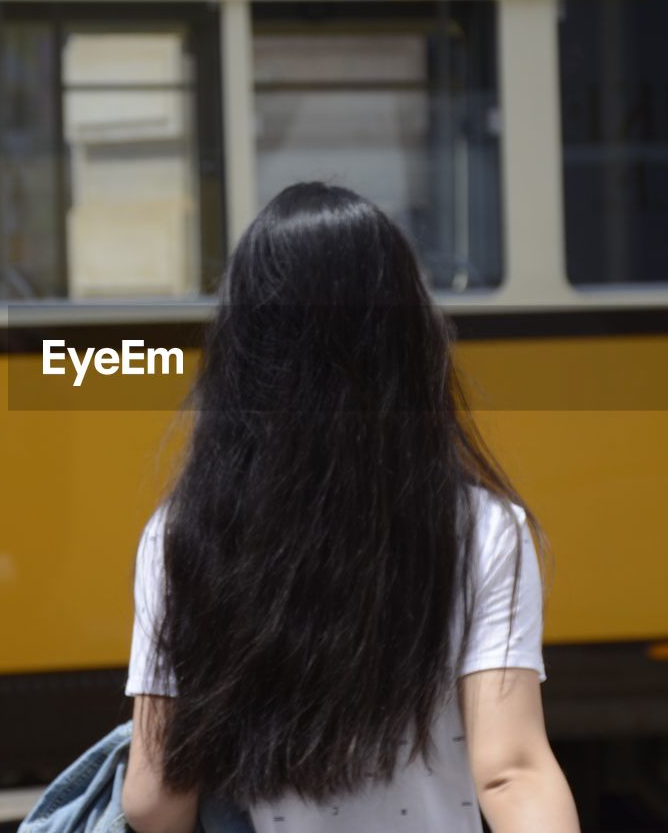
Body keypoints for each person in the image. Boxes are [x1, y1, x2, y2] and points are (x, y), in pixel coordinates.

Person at [122, 183, 580, 833]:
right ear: (406, 338)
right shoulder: (482, 531)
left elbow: (154, 800)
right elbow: (512, 771)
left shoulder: (181, 536)